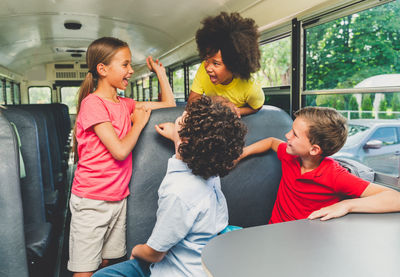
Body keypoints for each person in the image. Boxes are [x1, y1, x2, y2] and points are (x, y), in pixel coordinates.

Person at [93, 96, 247, 277]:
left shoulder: (179, 192)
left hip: (175, 270)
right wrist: (177, 135)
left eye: (183, 119)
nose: (180, 117)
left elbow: (155, 253)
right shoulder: (210, 168)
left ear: (187, 139)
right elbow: (196, 145)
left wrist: (137, 250)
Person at [69, 37, 176, 277]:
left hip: (118, 197)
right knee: (84, 270)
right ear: (102, 69)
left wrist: (160, 72)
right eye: (125, 65)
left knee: (108, 261)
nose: (130, 70)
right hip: (92, 200)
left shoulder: (124, 103)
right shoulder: (93, 104)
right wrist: (137, 125)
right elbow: (119, 150)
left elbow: (168, 103)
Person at [238, 106, 400, 224]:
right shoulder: (290, 155)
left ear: (314, 149)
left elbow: (395, 198)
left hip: (307, 240)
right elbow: (271, 142)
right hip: (272, 232)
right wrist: (241, 154)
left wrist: (346, 205)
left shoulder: (335, 175)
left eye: (295, 134)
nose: (287, 136)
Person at [185, 12, 265, 117]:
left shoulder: (250, 88)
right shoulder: (203, 69)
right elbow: (190, 103)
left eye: (216, 63)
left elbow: (256, 107)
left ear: (234, 66)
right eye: (206, 59)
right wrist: (214, 100)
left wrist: (235, 111)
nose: (208, 67)